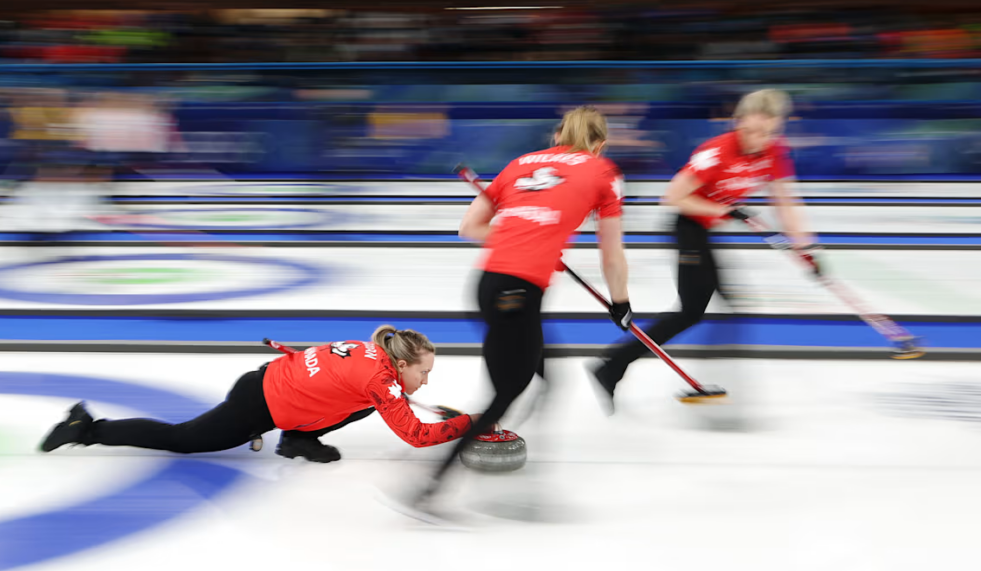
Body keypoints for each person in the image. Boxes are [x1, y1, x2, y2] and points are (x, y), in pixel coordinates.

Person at [405, 105, 631, 518]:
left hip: (490, 285)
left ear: (558, 137)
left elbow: (470, 228)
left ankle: (529, 480)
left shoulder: (521, 163)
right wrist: (621, 303)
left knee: (548, 377)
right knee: (506, 393)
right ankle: (429, 489)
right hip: (519, 292)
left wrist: (526, 234)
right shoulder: (604, 172)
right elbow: (612, 255)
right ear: (600, 144)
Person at [590, 88, 816, 412]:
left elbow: (785, 201)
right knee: (691, 310)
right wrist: (724, 211)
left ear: (778, 129)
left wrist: (806, 247)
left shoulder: (775, 152)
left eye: (765, 132)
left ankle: (720, 372)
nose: (755, 139)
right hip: (688, 228)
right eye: (748, 130)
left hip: (707, 230)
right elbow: (672, 196)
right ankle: (613, 365)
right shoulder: (716, 152)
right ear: (737, 122)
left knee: (733, 301)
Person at [40, 325, 479, 461]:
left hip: (269, 381)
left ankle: (298, 438)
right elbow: (416, 436)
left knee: (363, 405)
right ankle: (88, 428)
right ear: (401, 364)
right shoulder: (380, 382)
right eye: (424, 372)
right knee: (183, 440)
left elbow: (343, 382)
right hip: (259, 404)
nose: (427, 382)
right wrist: (469, 424)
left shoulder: (373, 350)